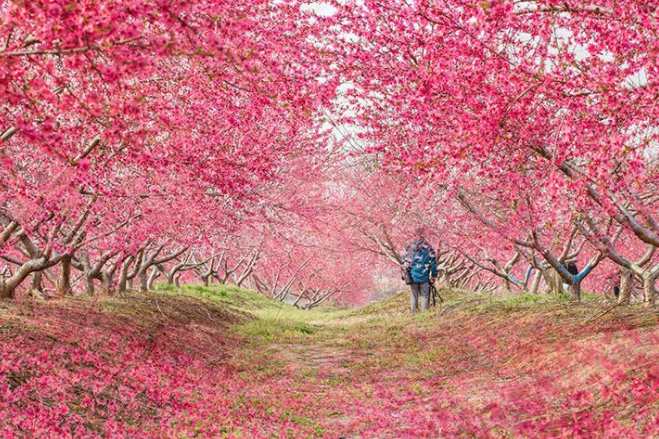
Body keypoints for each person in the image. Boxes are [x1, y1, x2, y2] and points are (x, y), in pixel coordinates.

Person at [401, 228, 438, 312]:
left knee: (414, 296)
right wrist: (433, 275)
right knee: (425, 295)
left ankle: (414, 314)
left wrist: (404, 273)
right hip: (424, 275)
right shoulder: (429, 247)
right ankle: (424, 315)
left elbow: (403, 261)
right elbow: (433, 263)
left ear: (414, 235)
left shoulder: (409, 247)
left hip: (412, 275)